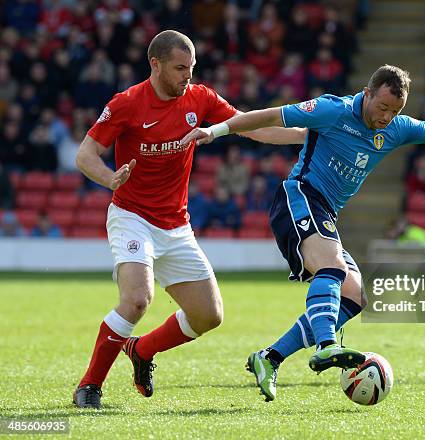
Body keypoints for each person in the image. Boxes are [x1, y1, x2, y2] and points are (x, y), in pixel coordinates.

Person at [180, 64, 425, 401]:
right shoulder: (333, 110)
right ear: (368, 93)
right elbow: (271, 116)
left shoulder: (396, 128)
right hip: (299, 196)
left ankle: (269, 357)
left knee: (356, 296)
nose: (387, 118)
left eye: (395, 112)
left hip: (325, 212)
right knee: (332, 269)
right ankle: (326, 345)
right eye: (383, 108)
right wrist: (217, 131)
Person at [73, 30, 305, 409]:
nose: (188, 76)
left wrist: (303, 134)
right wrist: (108, 178)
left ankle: (142, 350)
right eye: (181, 68)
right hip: (132, 216)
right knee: (136, 300)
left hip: (175, 225)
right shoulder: (127, 103)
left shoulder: (200, 98)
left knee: (208, 315)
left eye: (192, 68)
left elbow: (251, 125)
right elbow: (86, 154)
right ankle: (89, 386)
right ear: (156, 64)